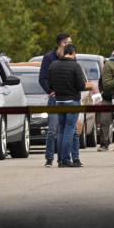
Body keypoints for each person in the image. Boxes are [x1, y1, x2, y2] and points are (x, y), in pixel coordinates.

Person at [48, 44, 90, 167]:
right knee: (69, 130)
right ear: (72, 53)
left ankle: (60, 160)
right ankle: (66, 160)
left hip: (59, 101)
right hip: (72, 101)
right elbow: (81, 86)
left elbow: (50, 85)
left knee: (61, 130)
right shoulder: (75, 66)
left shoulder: (53, 65)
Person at [38, 33, 72, 167]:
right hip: (55, 98)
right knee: (53, 130)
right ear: (61, 44)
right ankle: (49, 158)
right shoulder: (48, 58)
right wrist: (50, 91)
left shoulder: (70, 57)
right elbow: (42, 78)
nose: (70, 44)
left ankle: (63, 158)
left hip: (68, 98)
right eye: (67, 42)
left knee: (65, 130)